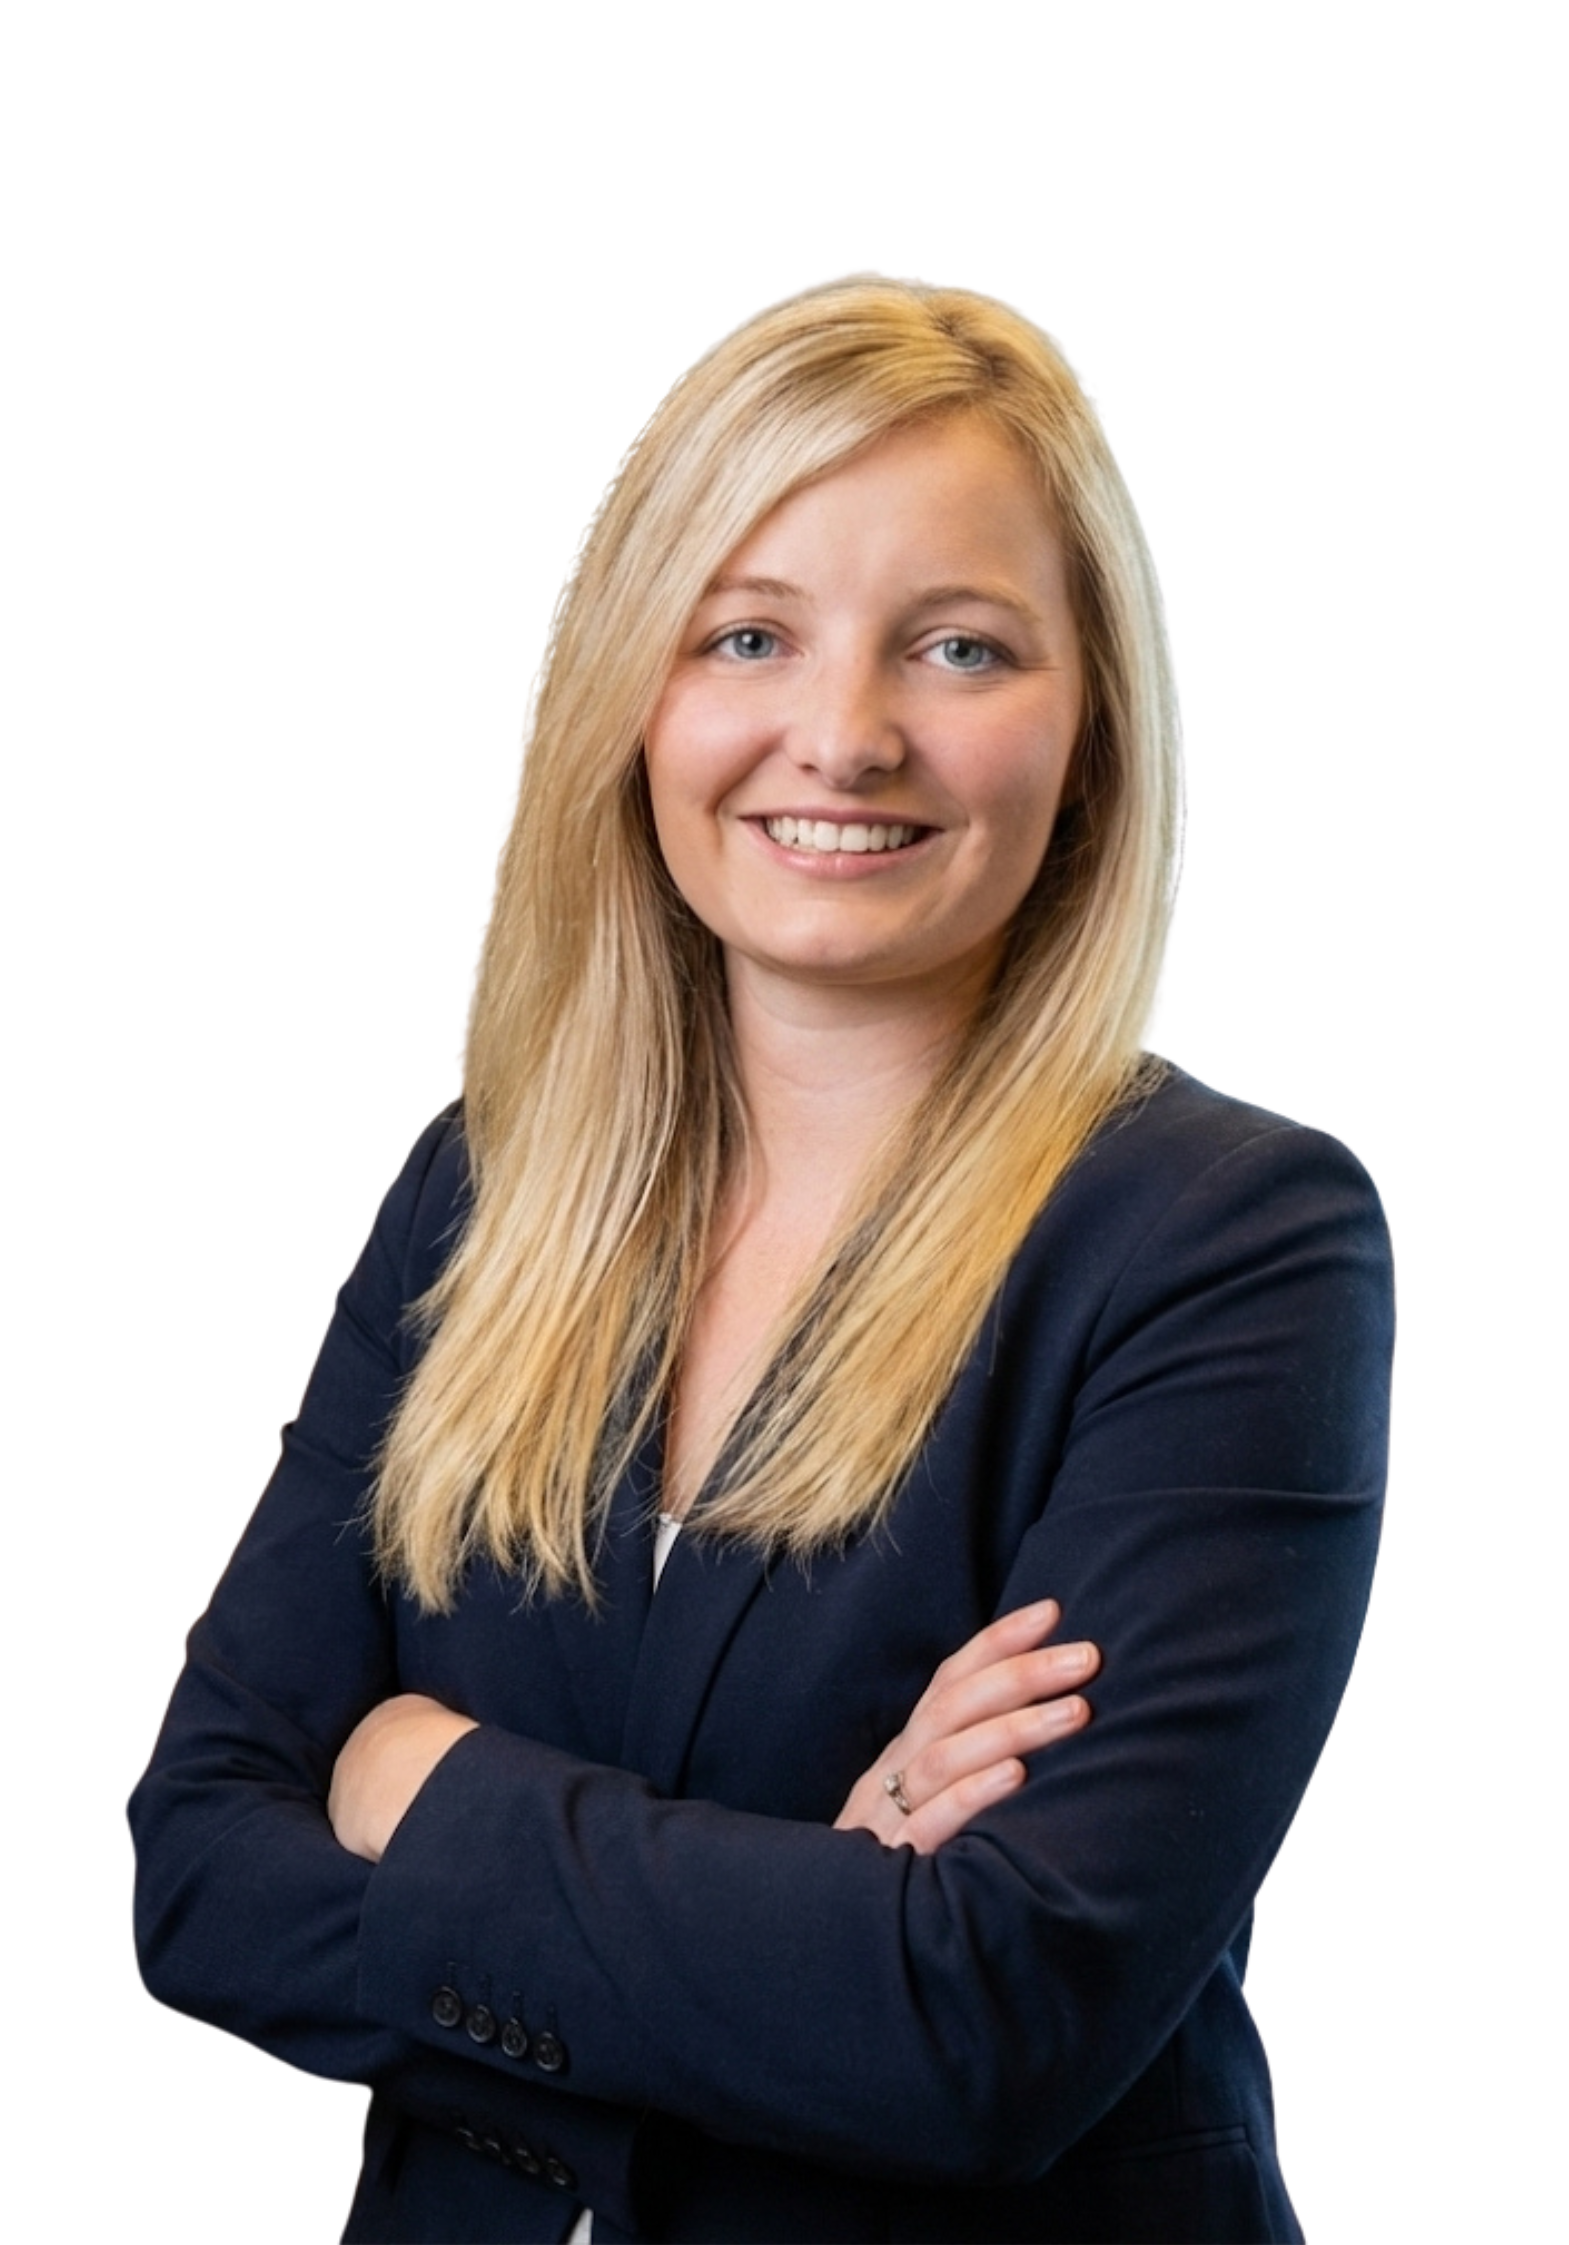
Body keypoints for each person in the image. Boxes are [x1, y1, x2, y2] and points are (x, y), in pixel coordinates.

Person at [127, 272, 1394, 2243]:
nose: (845, 735)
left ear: (1091, 735)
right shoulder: (486, 1190)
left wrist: (413, 1779)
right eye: (748, 633)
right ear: (631, 695)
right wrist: (815, 1913)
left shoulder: (1230, 1239)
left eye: (959, 648)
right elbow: (201, 1873)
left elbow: (979, 2029)